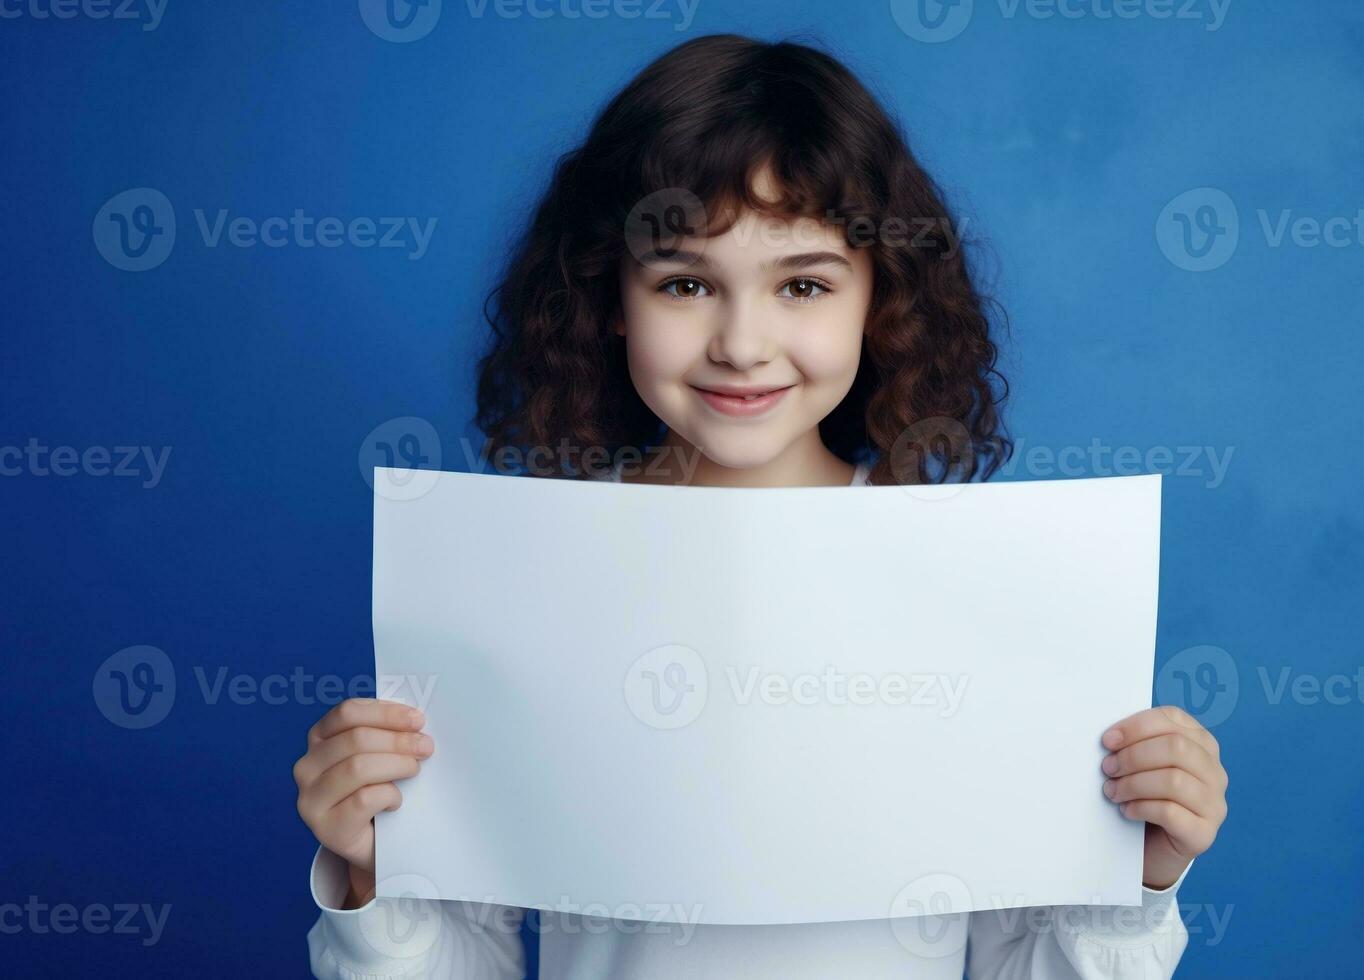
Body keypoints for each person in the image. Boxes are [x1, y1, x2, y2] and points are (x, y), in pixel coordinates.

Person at [294, 33, 1228, 979]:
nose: (743, 343)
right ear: (610, 295)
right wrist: (375, 875)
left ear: (880, 299)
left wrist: (1133, 880)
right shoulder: (531, 575)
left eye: (804, 285)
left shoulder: (971, 582)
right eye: (687, 283)